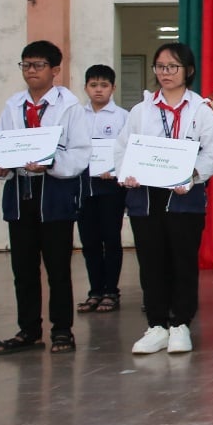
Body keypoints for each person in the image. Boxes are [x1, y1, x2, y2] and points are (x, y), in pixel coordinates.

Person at [118, 42, 213, 355]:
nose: (165, 73)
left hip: (184, 200)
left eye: (173, 67)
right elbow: (123, 148)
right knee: (151, 262)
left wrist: (192, 175)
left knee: (182, 262)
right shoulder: (140, 111)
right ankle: (156, 325)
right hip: (146, 199)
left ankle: (180, 325)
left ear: (188, 71)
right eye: (160, 66)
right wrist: (127, 173)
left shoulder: (201, 111)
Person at [0, 40, 93, 356]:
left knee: (58, 266)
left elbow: (80, 153)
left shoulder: (69, 107)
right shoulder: (13, 105)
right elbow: (3, 143)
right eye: (26, 65)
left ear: (55, 70)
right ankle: (29, 329)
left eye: (38, 65)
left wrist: (51, 163)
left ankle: (62, 330)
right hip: (20, 193)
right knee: (22, 267)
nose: (31, 71)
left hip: (54, 194)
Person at [76, 63, 128, 315]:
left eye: (104, 85)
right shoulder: (76, 116)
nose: (98, 90)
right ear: (85, 87)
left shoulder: (122, 117)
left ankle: (111, 291)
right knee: (89, 241)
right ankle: (95, 291)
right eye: (94, 85)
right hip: (83, 186)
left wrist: (115, 170)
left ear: (113, 88)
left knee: (111, 239)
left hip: (111, 187)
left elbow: (127, 151)